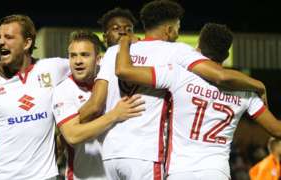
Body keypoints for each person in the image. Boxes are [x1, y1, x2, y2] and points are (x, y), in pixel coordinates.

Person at [79, 1, 268, 179]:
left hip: (111, 154)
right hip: (146, 153)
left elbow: (95, 105)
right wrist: (258, 84)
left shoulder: (115, 52)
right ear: (169, 30)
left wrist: (70, 124)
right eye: (177, 28)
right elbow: (219, 75)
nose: (178, 33)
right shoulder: (176, 51)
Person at [115, 23, 281, 180]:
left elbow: (125, 71)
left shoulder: (179, 74)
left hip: (180, 171)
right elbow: (277, 130)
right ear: (226, 55)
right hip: (216, 171)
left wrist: (124, 43)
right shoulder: (246, 91)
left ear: (197, 49)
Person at [0, 14, 70, 179]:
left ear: (27, 43)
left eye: (9, 37)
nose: (1, 42)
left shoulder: (52, 68)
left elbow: (94, 64)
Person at [52, 31, 145, 180]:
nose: (78, 61)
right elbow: (72, 135)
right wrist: (114, 115)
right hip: (84, 176)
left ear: (98, 59)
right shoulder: (63, 90)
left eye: (84, 55)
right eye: (73, 55)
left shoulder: (114, 81)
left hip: (121, 174)